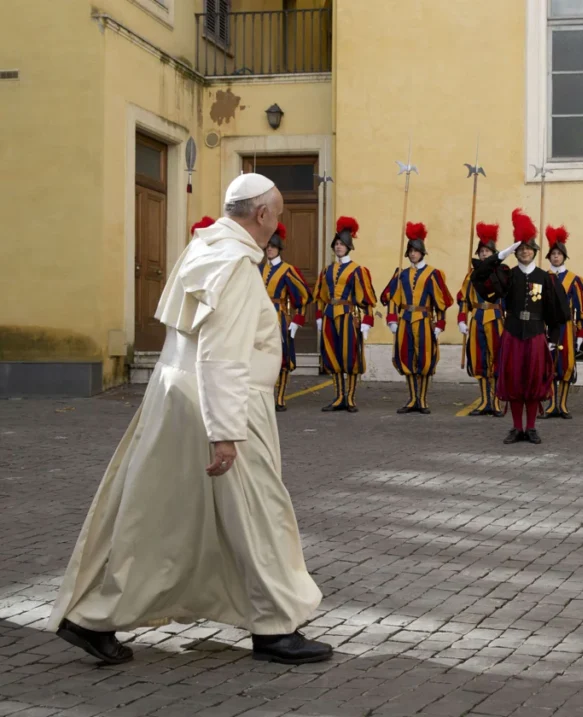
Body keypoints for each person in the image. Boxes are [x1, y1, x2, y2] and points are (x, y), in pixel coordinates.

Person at [48, 173, 330, 665]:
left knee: (159, 516)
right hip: (228, 406)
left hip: (176, 401)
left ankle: (92, 616)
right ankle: (273, 629)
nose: (280, 221)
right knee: (259, 514)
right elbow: (221, 354)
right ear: (261, 214)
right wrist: (225, 433)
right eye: (278, 212)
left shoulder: (204, 249)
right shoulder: (237, 265)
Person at [471, 209, 569, 443]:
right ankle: (516, 427)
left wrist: (554, 342)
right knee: (514, 381)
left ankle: (532, 427)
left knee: (534, 382)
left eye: (528, 248)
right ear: (516, 252)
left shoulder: (547, 278)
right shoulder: (507, 275)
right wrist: (500, 256)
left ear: (535, 251)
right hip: (513, 334)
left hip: (536, 335)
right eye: (520, 248)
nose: (524, 251)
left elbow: (557, 315)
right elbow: (479, 277)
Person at [384, 222, 453, 414]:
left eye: (416, 250)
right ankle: (412, 398)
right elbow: (392, 298)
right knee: (407, 358)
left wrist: (440, 323)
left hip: (424, 320)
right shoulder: (401, 274)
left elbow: (440, 301)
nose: (413, 254)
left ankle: (422, 400)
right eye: (410, 250)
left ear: (422, 252)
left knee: (424, 360)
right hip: (405, 319)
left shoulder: (433, 274)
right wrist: (391, 319)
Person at [313, 216, 377, 412]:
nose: (339, 247)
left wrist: (367, 321)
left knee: (349, 357)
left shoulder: (358, 270)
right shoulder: (327, 271)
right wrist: (318, 317)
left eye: (342, 244)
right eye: (337, 244)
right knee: (333, 357)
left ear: (349, 246)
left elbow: (367, 298)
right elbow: (320, 296)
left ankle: (350, 398)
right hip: (330, 315)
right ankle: (338, 396)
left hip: (349, 316)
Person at [539, 225, 583, 419]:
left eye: (559, 254)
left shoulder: (574, 280)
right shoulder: (542, 277)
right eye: (552, 254)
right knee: (549, 364)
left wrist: (582, 332)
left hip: (567, 327)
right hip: (548, 326)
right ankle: (552, 404)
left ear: (564, 256)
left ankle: (563, 405)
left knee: (566, 365)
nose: (555, 257)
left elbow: (581, 308)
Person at [259, 222, 312, 412]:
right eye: (268, 246)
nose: (270, 250)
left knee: (281, 357)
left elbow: (304, 295)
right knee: (260, 357)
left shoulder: (288, 270)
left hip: (279, 316)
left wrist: (298, 319)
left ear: (279, 248)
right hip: (259, 318)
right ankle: (264, 397)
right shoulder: (258, 269)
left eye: (273, 247)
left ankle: (280, 397)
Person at [458, 222, 505, 416]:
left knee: (496, 360)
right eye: (482, 251)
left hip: (495, 318)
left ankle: (495, 402)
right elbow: (463, 299)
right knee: (479, 360)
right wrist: (461, 319)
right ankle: (484, 401)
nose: (484, 254)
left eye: (487, 251)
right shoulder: (471, 275)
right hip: (477, 318)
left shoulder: (502, 273)